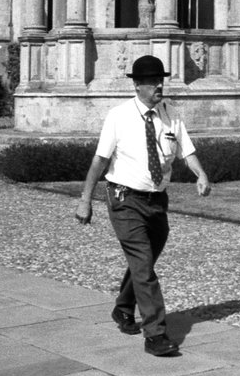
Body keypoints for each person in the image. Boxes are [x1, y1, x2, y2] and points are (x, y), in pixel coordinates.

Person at [74, 54, 211, 356]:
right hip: (124, 199)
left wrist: (200, 174)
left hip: (157, 201)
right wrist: (85, 200)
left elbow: (187, 151)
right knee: (144, 267)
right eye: (152, 81)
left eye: (161, 79)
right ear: (137, 85)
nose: (159, 85)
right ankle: (155, 334)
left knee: (145, 262)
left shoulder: (171, 114)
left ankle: (123, 308)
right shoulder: (118, 117)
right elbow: (100, 160)